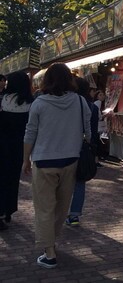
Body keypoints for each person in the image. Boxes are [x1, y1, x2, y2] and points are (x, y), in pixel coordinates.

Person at [22, 63, 91, 269]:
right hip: (71, 160)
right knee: (61, 208)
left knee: (44, 208)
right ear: (69, 79)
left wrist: (26, 159)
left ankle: (49, 251)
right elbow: (88, 131)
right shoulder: (80, 102)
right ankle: (51, 242)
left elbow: (30, 132)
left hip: (43, 161)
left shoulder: (39, 103)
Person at [0, 71, 34, 231]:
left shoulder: (3, 100)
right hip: (20, 147)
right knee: (13, 179)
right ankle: (9, 210)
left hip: (2, 146)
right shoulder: (30, 103)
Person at [65, 77, 99, 226]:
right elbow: (93, 131)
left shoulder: (68, 103)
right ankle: (74, 215)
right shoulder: (92, 107)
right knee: (79, 181)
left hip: (67, 147)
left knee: (64, 181)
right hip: (83, 148)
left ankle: (61, 213)